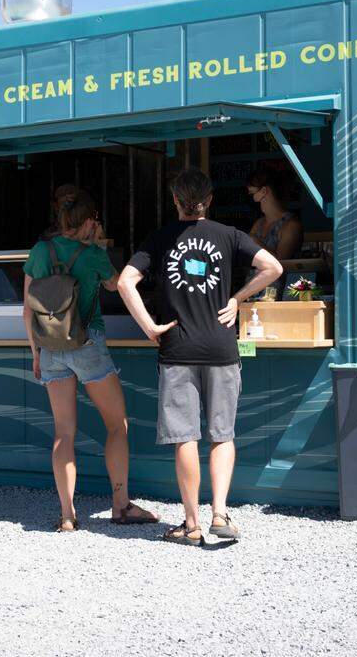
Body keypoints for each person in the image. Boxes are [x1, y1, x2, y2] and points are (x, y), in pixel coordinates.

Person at [118, 168, 282, 546]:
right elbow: (273, 267)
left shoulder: (160, 238)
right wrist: (237, 299)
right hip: (221, 347)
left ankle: (191, 525)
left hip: (177, 349)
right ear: (209, 200)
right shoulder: (229, 235)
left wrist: (149, 327)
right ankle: (219, 514)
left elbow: (125, 281)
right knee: (222, 435)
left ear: (176, 200)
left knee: (186, 438)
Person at [23, 189, 159, 532]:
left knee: (63, 432)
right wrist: (98, 245)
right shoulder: (93, 255)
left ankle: (67, 515)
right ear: (87, 222)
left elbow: (28, 309)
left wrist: (36, 352)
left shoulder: (40, 251)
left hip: (50, 347)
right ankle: (121, 505)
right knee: (116, 425)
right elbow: (116, 286)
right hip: (87, 344)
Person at [246, 167, 303, 261]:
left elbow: (281, 263)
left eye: (252, 194)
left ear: (264, 191)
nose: (251, 198)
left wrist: (254, 242)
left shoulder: (291, 226)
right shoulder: (259, 223)